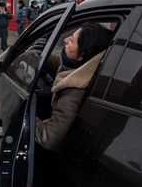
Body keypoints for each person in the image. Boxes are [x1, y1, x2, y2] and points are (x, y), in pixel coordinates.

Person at [35, 22, 113, 152]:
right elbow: (62, 67)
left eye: (71, 41)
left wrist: (27, 119)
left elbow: (49, 138)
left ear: (80, 56)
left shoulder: (73, 91)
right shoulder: (87, 68)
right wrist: (40, 55)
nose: (65, 40)